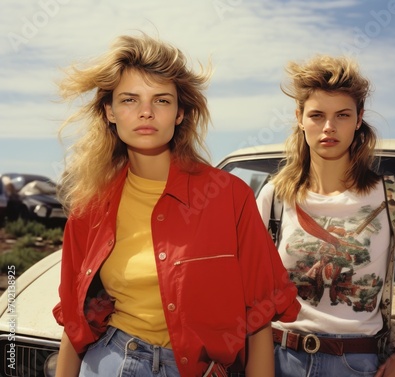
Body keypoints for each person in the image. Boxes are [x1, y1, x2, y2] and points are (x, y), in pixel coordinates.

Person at [52, 33, 300, 377]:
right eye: (129, 99)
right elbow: (75, 321)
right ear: (109, 112)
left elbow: (259, 312)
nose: (146, 112)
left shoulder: (230, 196)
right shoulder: (90, 207)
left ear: (180, 113)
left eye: (162, 101)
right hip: (112, 361)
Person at [256, 55, 395, 377]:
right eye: (317, 115)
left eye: (342, 115)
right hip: (279, 358)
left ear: (359, 118)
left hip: (355, 363)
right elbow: (249, 288)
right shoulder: (275, 196)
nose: (329, 127)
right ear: (300, 118)